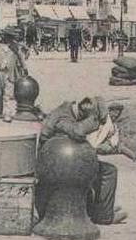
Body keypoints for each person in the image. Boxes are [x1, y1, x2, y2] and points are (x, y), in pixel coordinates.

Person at [40, 96, 127, 225]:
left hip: (60, 161)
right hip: (56, 166)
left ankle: (101, 209)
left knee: (98, 166)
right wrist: (92, 122)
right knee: (109, 171)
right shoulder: (63, 117)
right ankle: (104, 215)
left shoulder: (68, 109)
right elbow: (78, 132)